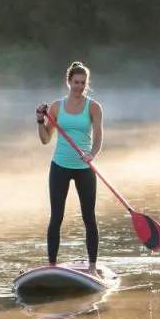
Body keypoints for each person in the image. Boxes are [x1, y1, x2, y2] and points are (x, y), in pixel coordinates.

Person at [36, 61, 104, 275]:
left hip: (84, 167)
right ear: (68, 82)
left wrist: (91, 154)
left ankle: (92, 267)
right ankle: (52, 265)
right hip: (60, 166)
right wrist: (39, 121)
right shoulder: (56, 107)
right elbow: (46, 140)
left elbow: (99, 137)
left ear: (87, 84)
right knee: (56, 217)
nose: (79, 86)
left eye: (83, 83)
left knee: (89, 217)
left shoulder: (94, 107)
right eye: (76, 82)